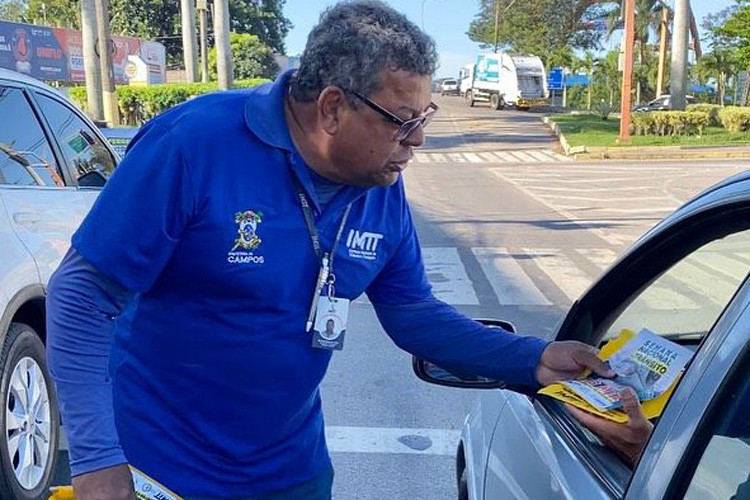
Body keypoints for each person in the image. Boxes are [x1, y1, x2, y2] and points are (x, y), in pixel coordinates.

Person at [46, 2, 614, 499]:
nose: (417, 140)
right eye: (403, 121)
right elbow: (80, 296)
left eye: (425, 117)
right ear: (333, 107)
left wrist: (535, 359)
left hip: (291, 471)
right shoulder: (194, 145)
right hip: (160, 469)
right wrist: (97, 462)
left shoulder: (380, 187)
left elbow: (414, 316)